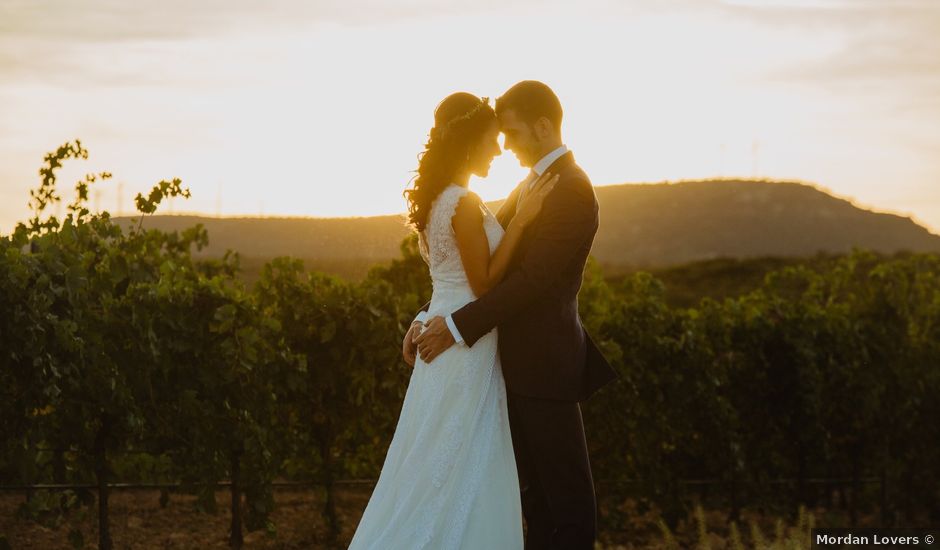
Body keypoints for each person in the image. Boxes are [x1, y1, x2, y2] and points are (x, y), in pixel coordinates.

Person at [412, 80, 617, 549]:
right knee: (538, 507)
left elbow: (531, 281)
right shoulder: (531, 186)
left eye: (512, 132)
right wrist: (426, 316)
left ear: (543, 126)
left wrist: (457, 327)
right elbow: (474, 267)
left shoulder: (572, 189)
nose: (504, 145)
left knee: (570, 509)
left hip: (545, 369)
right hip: (507, 368)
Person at [349, 91, 557, 549]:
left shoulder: (438, 200)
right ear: (468, 142)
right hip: (465, 344)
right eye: (491, 139)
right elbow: (483, 286)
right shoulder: (462, 202)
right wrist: (522, 222)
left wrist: (423, 315)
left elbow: (447, 282)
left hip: (441, 331)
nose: (499, 149)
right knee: (465, 463)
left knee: (431, 465)